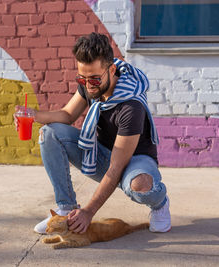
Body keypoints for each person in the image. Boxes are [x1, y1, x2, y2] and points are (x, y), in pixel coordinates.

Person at [15, 32, 171, 234]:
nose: (89, 85)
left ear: (111, 69)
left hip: (134, 162)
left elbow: (116, 168)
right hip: (102, 155)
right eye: (83, 79)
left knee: (140, 185)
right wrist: (33, 115)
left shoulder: (131, 106)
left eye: (95, 79)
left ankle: (160, 204)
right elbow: (67, 115)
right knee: (49, 133)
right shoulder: (91, 85)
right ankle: (66, 209)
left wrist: (89, 212)